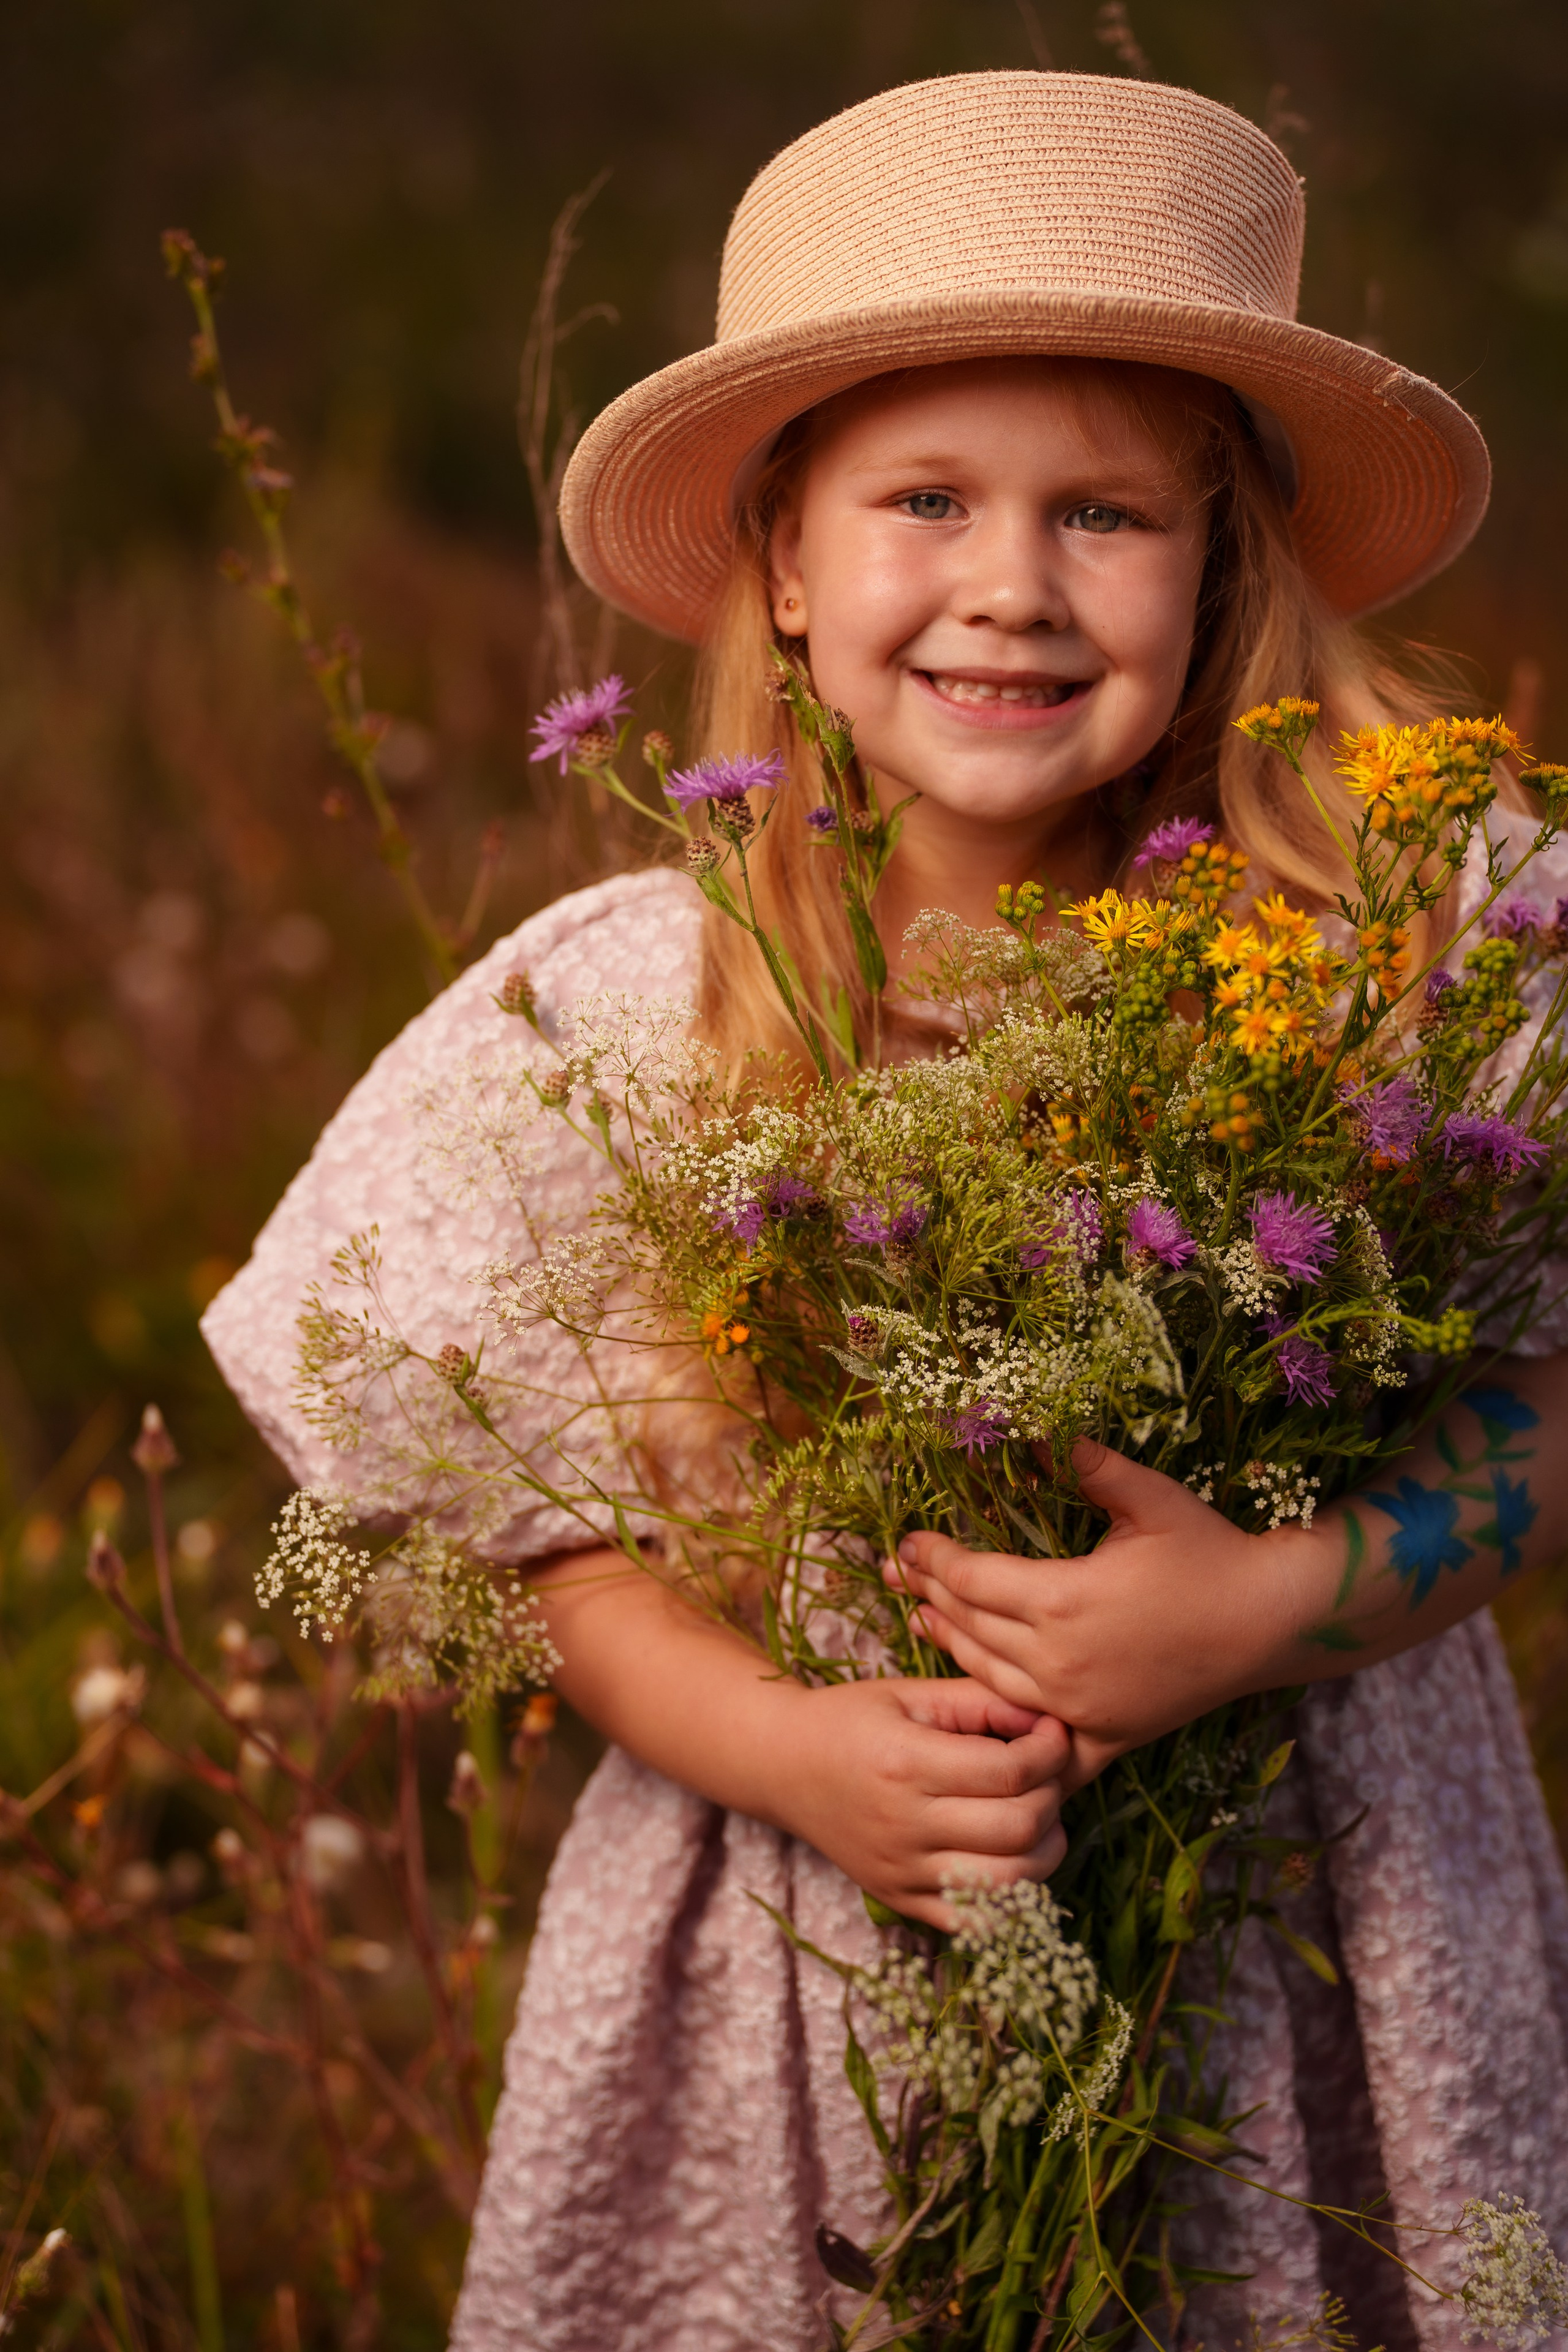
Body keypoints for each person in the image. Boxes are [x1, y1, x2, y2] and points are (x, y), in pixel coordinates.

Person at [202, 71, 1568, 2352]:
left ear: (1226, 561)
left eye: (1109, 514)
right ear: (784, 561)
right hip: (812, 1929)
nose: (1012, 588)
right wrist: (788, 1750)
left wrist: (1271, 1607)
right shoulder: (627, 1013)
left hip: (1317, 1907)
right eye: (925, 497)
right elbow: (545, 1548)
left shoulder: (1407, 953)